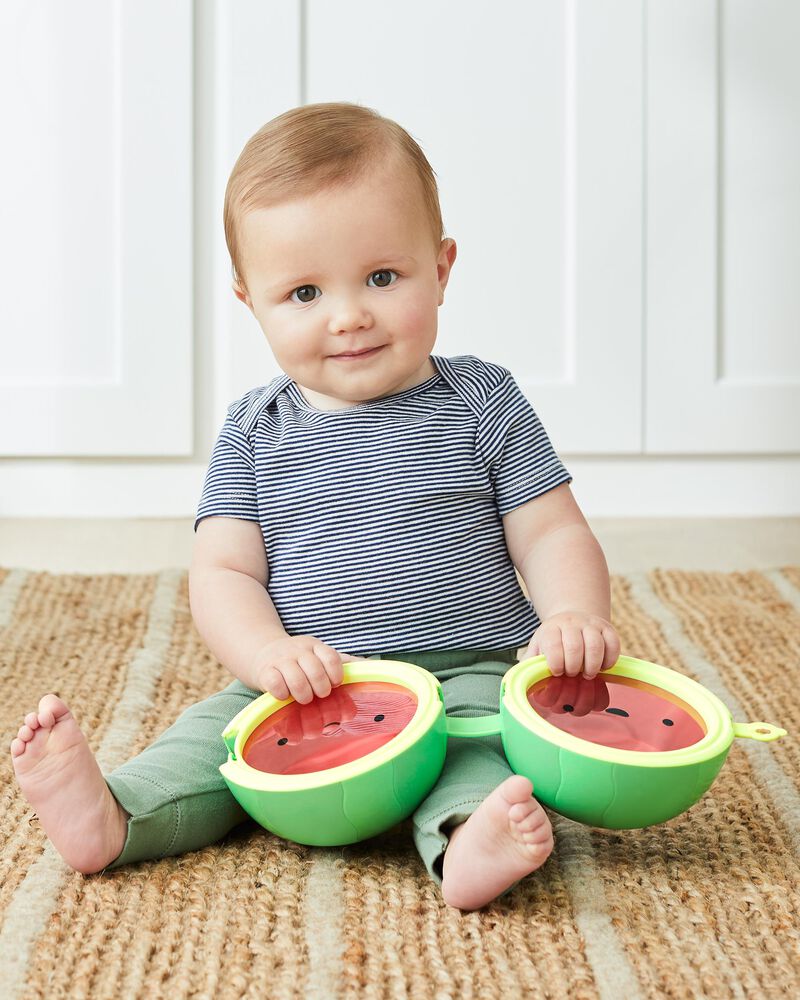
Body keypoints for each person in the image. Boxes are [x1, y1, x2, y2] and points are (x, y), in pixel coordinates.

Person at [10, 102, 621, 911]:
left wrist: (573, 614)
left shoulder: (482, 401)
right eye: (303, 292)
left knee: (489, 750)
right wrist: (267, 653)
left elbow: (549, 532)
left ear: (441, 269)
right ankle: (115, 814)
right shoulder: (255, 428)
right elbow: (224, 571)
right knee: (216, 741)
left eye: (382, 278)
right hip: (306, 686)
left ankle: (468, 840)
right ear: (250, 303)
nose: (348, 315)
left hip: (462, 676)